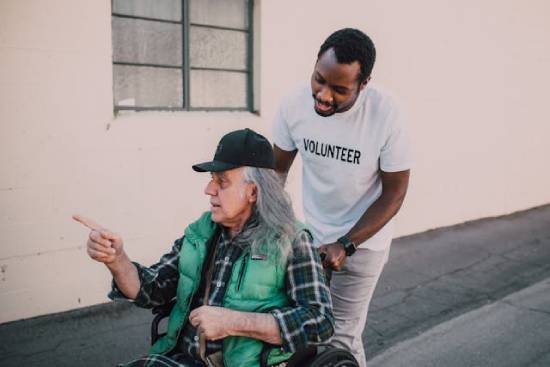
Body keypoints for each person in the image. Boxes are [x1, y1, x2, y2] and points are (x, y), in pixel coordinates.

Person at [73, 128, 334, 367]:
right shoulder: (201, 232)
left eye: (222, 182)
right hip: (178, 356)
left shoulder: (292, 239)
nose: (208, 189)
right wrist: (117, 259)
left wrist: (234, 323)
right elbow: (153, 289)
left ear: (253, 192)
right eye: (212, 179)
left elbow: (320, 321)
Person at [272, 28, 412, 366]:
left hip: (363, 245)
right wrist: (278, 228)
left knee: (342, 336)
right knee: (299, 331)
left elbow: (394, 195)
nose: (323, 95)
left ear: (363, 85)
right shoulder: (293, 105)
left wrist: (346, 244)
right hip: (311, 240)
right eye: (319, 80)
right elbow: (275, 176)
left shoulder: (387, 114)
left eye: (339, 89)